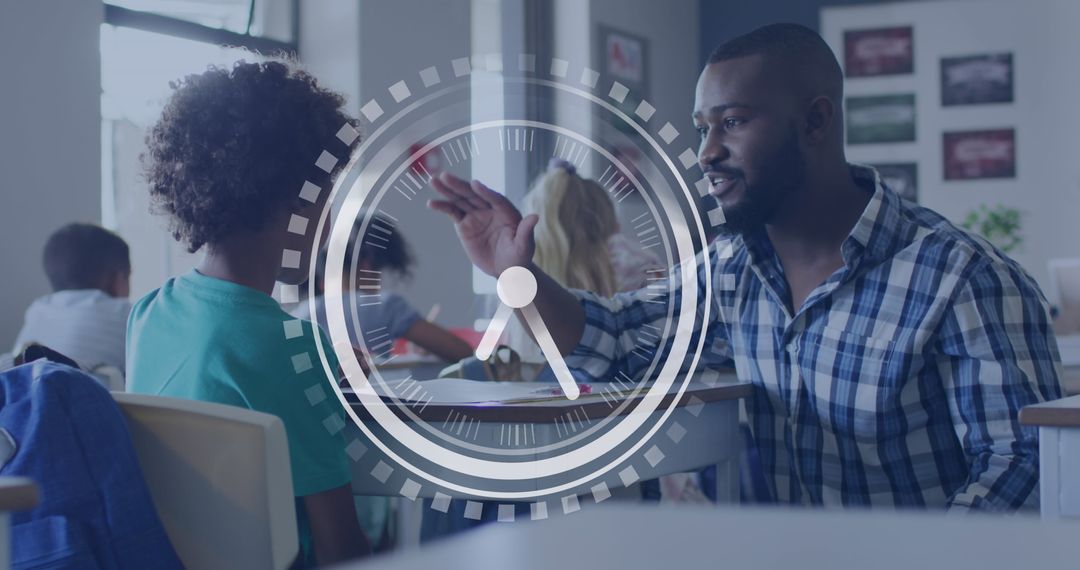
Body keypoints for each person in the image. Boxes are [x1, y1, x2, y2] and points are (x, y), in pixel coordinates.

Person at [428, 23, 1064, 511]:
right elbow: (614, 340)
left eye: (732, 122)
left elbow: (1023, 468)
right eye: (702, 128)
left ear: (816, 120)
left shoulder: (963, 278)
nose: (707, 152)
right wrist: (517, 275)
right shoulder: (731, 270)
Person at [126, 60, 370, 565]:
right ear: (293, 201)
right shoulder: (295, 349)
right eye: (326, 198)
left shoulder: (148, 315)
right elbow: (342, 547)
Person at [293, 214, 472, 363]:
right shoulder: (384, 306)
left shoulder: (303, 312)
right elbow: (463, 353)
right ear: (367, 265)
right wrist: (427, 346)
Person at [12, 223, 131, 388]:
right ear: (117, 279)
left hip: (24, 399)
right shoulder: (124, 313)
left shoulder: (37, 309)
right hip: (88, 401)